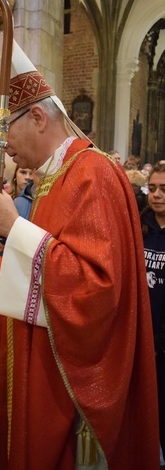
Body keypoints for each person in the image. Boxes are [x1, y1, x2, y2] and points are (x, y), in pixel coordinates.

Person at [0, 40, 159, 469]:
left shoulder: (92, 173)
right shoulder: (53, 179)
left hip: (71, 377)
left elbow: (96, 289)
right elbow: (39, 263)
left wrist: (13, 226)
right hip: (37, 355)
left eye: (4, 133)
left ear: (36, 116)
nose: (1, 148)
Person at [141, 162, 165, 463]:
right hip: (142, 332)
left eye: (164, 189)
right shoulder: (140, 224)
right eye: (153, 189)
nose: (157, 195)